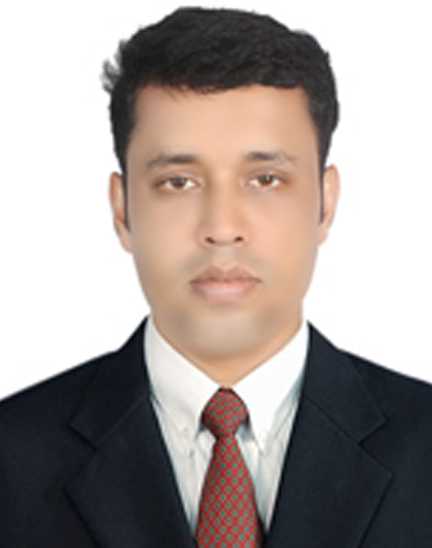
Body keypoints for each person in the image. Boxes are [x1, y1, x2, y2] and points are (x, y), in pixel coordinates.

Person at [1, 5, 431, 547]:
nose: (222, 228)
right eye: (178, 182)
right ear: (122, 209)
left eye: (266, 179)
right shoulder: (12, 458)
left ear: (325, 203)